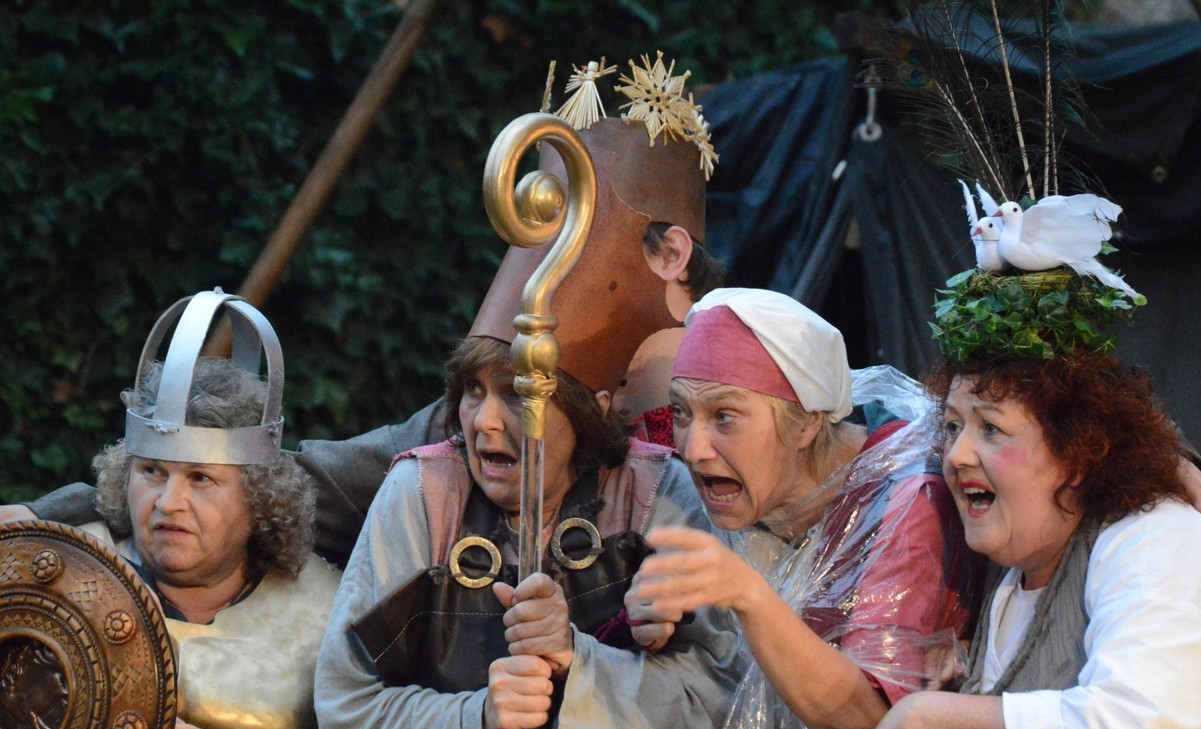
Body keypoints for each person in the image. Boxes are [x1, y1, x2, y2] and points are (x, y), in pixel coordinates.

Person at [3, 59, 726, 565]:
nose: (547, 276)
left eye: (571, 242)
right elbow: (292, 480)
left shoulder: (759, 396)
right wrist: (53, 513)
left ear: (669, 254)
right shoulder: (476, 422)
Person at [314, 63, 739, 729]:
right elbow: (349, 713)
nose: (483, 422)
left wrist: (579, 661)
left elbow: (724, 701)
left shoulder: (659, 494)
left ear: (584, 405)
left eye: (516, 394)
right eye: (471, 392)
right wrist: (478, 721)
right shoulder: (424, 494)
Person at [832, 267, 1201, 729]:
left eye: (991, 429)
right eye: (952, 427)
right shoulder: (1018, 570)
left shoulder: (1161, 542)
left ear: (1076, 453)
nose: (956, 455)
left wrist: (923, 717)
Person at [576, 287, 989, 729]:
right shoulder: (752, 504)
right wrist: (671, 625)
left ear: (807, 423)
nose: (693, 448)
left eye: (725, 416)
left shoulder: (908, 501)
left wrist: (745, 595)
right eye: (680, 412)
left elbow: (870, 719)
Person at [80, 289, 361, 729]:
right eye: (152, 472)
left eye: (201, 479)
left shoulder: (332, 615)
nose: (168, 503)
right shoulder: (64, 576)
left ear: (258, 499)